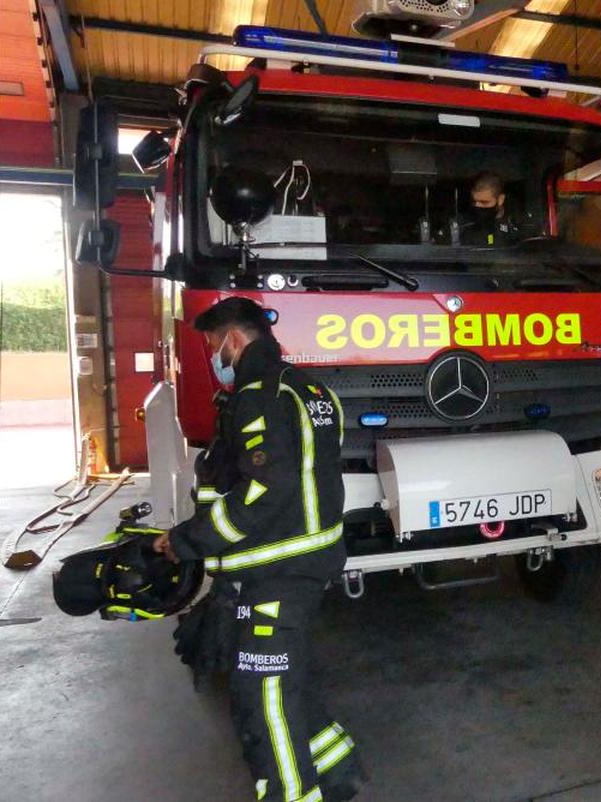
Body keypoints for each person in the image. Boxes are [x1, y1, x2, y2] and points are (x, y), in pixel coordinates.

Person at [153, 297, 365, 802]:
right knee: (286, 680)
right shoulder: (312, 389)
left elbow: (266, 492)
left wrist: (186, 541)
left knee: (262, 695)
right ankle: (339, 771)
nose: (212, 356)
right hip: (305, 561)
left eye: (212, 345)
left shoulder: (258, 397)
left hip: (278, 567)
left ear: (234, 339)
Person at [463, 171, 518, 246]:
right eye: (474, 202)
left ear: (500, 200)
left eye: (484, 202)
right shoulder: (462, 227)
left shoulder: (516, 226)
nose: (477, 206)